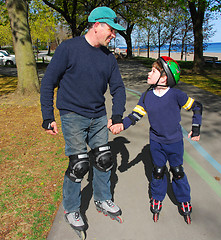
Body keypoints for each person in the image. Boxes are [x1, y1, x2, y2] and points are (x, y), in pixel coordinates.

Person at [40, 6, 126, 231]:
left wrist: (117, 116)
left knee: (104, 159)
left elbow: (118, 88)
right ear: (96, 25)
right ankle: (71, 208)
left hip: (98, 116)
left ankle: (102, 198)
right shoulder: (68, 49)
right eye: (111, 29)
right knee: (79, 165)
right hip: (72, 115)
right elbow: (48, 82)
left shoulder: (109, 58)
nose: (113, 35)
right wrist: (48, 116)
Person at [110, 56, 203, 224]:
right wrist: (120, 125)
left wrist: (196, 128)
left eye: (153, 71)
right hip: (156, 143)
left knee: (177, 171)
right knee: (158, 172)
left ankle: (183, 200)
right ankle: (157, 197)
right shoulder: (147, 96)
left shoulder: (176, 95)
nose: (148, 73)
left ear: (164, 77)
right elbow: (134, 116)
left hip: (174, 142)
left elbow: (197, 107)